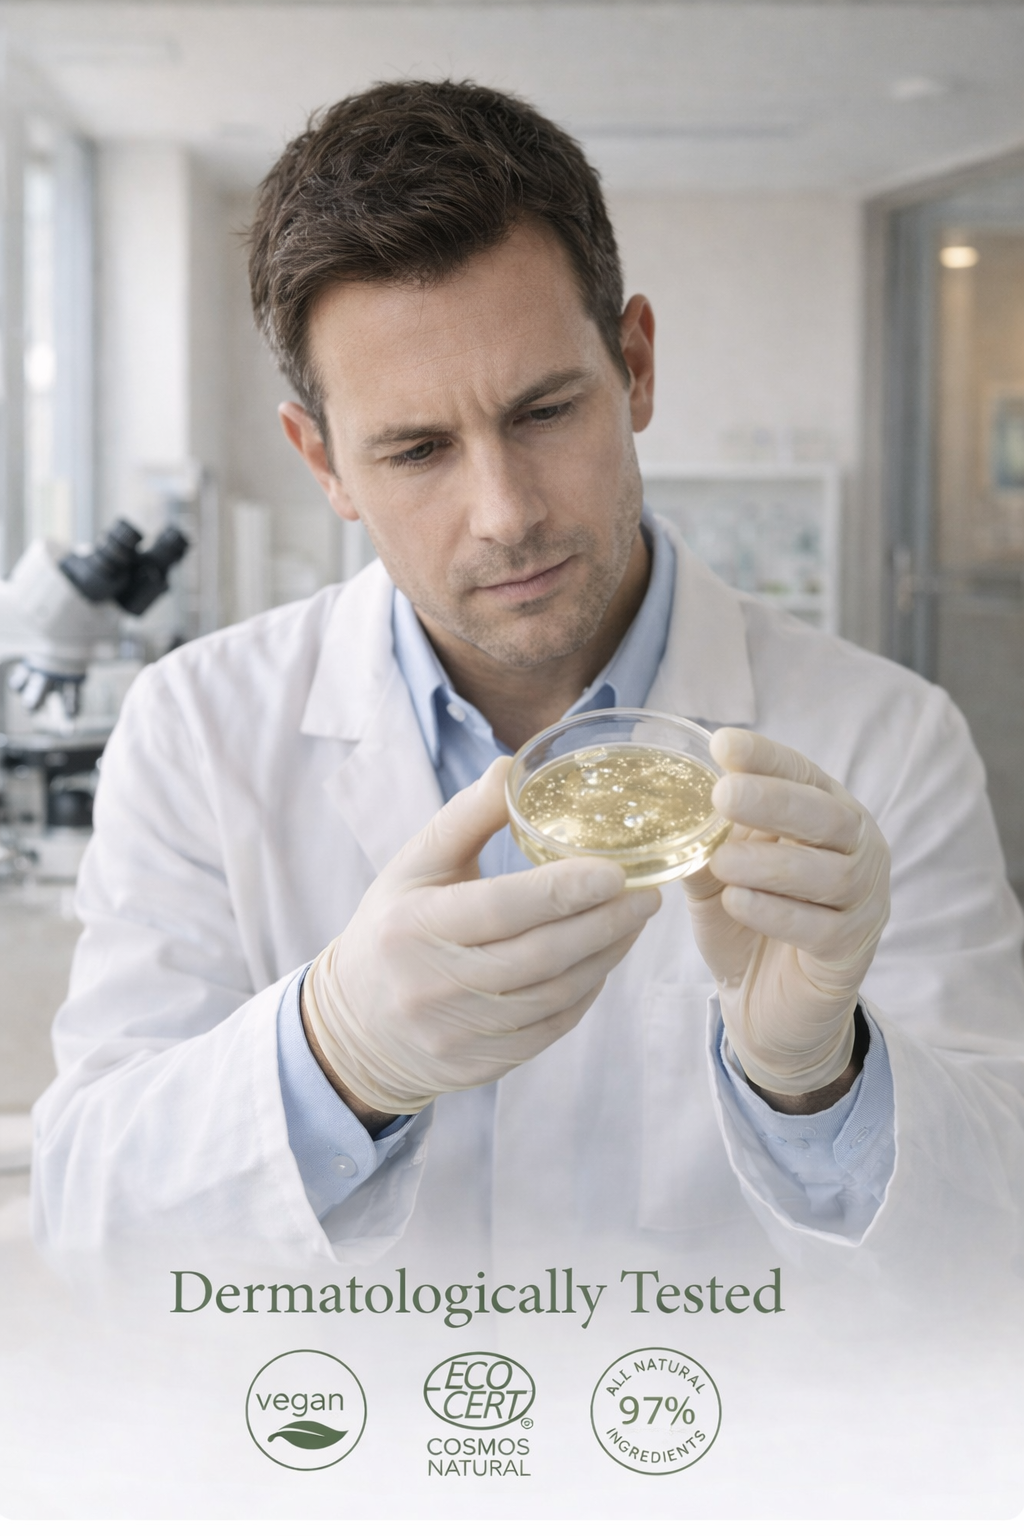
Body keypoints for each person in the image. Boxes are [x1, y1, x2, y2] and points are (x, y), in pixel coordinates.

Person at [32, 81, 1024, 1277]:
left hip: (724, 1439)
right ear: (323, 461)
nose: (505, 515)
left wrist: (821, 1084)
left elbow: (994, 1244)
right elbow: (88, 1221)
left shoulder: (886, 737)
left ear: (636, 366)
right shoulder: (197, 728)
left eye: (545, 410)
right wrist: (334, 1057)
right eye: (415, 450)